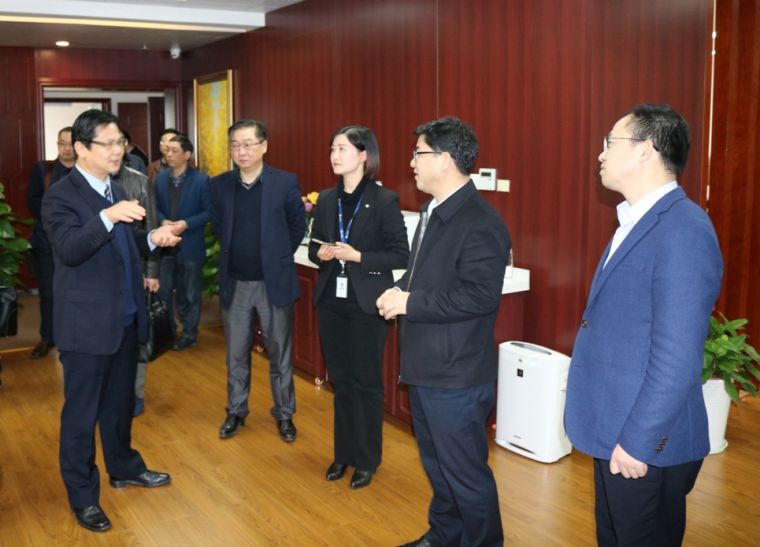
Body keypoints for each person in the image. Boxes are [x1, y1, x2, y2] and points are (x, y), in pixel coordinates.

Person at [564, 104, 723, 547]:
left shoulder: (684, 229)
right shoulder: (636, 221)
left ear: (645, 151)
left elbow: (678, 356)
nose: (600, 154)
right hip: (615, 426)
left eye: (610, 143)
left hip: (645, 441)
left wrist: (639, 440)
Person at [41, 109, 181, 533]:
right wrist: (108, 216)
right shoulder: (60, 196)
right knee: (81, 416)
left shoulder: (114, 189)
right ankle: (83, 496)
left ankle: (123, 467)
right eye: (108, 143)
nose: (118, 150)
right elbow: (70, 249)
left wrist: (151, 238)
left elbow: (123, 243)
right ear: (82, 148)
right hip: (85, 325)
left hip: (125, 317)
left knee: (119, 407)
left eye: (121, 141)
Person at [376, 117, 509, 547]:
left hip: (457, 376)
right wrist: (400, 289)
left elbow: (480, 297)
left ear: (445, 159)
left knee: (465, 475)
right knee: (438, 466)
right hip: (427, 366)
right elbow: (423, 277)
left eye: (418, 153)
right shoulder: (433, 210)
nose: (411, 162)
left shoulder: (480, 222)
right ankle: (445, 535)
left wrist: (410, 303)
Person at [308, 126, 409, 489]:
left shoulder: (384, 200)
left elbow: (401, 255)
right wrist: (321, 253)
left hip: (367, 305)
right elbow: (313, 247)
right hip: (331, 303)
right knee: (341, 380)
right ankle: (343, 454)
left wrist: (359, 256)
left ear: (364, 155)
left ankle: (367, 459)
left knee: (366, 382)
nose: (334, 156)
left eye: (342, 149)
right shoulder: (325, 200)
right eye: (332, 149)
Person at [209, 119, 305, 442]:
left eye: (249, 144)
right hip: (236, 283)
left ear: (264, 146)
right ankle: (236, 410)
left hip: (272, 282)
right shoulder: (220, 185)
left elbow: (297, 226)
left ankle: (285, 414)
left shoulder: (284, 182)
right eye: (236, 145)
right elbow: (218, 225)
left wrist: (277, 257)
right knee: (236, 353)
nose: (242, 151)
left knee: (280, 355)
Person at [111, 148, 160, 417]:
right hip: (103, 279)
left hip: (136, 270)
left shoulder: (139, 181)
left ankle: (136, 393)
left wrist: (151, 272)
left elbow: (150, 228)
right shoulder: (82, 186)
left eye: (118, 144)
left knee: (138, 336)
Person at [154, 134, 210, 350]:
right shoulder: (160, 178)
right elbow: (153, 206)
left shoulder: (201, 180)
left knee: (190, 293)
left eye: (174, 150)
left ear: (187, 155)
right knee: (164, 291)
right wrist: (162, 220)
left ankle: (189, 333)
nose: (168, 154)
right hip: (165, 246)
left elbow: (209, 212)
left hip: (190, 244)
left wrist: (186, 223)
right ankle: (168, 332)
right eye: (167, 150)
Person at [26, 126, 75, 359]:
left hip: (77, 241)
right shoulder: (43, 170)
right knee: (48, 292)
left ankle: (74, 336)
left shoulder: (86, 171)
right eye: (61, 143)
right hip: (47, 240)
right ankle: (47, 336)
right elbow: (33, 200)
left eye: (70, 143)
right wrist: (54, 219)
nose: (66, 148)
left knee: (76, 290)